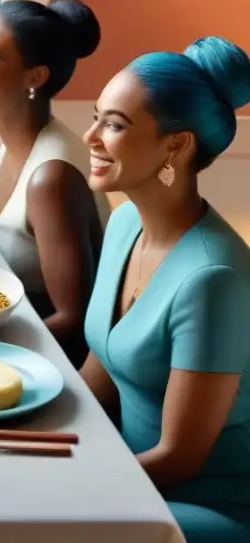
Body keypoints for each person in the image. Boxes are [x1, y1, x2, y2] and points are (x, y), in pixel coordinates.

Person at [81, 37, 250, 542]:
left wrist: (70, 486)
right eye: (97, 117)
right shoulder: (125, 222)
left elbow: (180, 457)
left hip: (202, 506)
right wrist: (37, 433)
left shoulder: (212, 280)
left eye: (113, 125)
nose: (90, 135)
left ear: (176, 145)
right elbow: (101, 368)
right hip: (129, 473)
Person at [0, 0, 111, 368]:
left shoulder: (50, 180)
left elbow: (72, 323)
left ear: (35, 77)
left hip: (46, 366)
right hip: (7, 331)